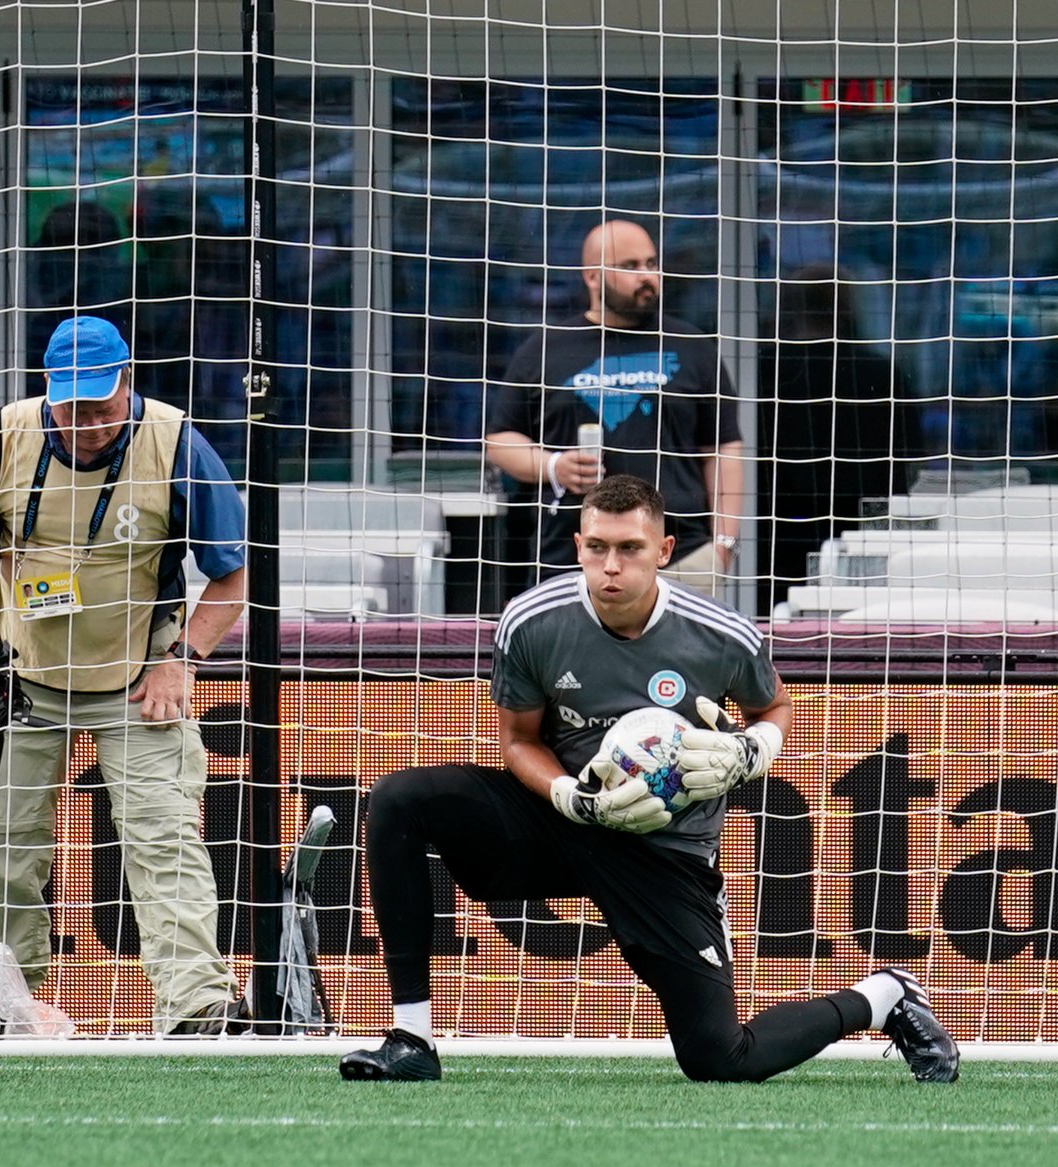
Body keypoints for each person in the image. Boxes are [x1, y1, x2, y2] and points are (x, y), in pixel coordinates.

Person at [339, 474, 957, 1083]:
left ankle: (883, 996)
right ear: (578, 545)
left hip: (663, 847)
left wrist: (751, 750)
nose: (611, 566)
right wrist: (565, 795)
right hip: (567, 818)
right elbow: (517, 741)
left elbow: (774, 709)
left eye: (630, 549)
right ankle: (411, 1038)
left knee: (720, 1057)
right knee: (402, 799)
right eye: (597, 548)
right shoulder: (532, 621)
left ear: (662, 552)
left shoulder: (722, 633)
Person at [0, 315, 250, 1036]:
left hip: (137, 677)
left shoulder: (177, 442)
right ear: (47, 392)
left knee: (166, 843)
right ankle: (1, 1005)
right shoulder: (3, 435)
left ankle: (196, 1007)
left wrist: (181, 661)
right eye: (73, 409)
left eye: (101, 407)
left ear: (129, 384)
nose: (88, 425)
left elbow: (233, 574)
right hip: (20, 677)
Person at [485, 218, 746, 602]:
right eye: (630, 266)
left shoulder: (692, 347)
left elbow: (723, 449)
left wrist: (723, 546)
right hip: (574, 561)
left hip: (680, 558)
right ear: (592, 276)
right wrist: (553, 465)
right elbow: (500, 440)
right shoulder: (546, 350)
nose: (647, 276)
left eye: (651, 263)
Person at [756, 272, 918, 616]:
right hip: (862, 537)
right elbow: (909, 461)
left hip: (776, 532)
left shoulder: (760, 371)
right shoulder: (880, 373)